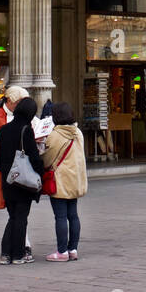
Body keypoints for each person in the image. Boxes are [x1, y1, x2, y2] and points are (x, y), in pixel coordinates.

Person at [0, 97, 44, 265]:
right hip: (22, 180)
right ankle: (18, 254)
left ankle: (5, 253)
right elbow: (34, 157)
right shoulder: (26, 130)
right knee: (21, 216)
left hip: (7, 179)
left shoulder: (4, 129)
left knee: (13, 216)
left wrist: (6, 171)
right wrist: (39, 173)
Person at [0, 86, 31, 256]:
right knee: (17, 212)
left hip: (21, 168)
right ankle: (18, 248)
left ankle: (19, 247)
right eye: (19, 103)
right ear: (9, 101)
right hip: (3, 168)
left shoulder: (24, 117)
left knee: (18, 213)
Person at [43, 102, 88, 261]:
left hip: (60, 180)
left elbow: (47, 160)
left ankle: (62, 252)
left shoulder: (55, 135)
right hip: (75, 179)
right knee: (73, 215)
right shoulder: (78, 133)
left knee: (60, 217)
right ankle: (73, 249)